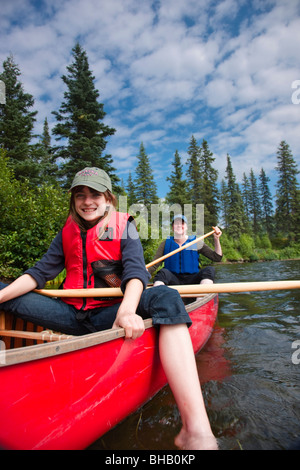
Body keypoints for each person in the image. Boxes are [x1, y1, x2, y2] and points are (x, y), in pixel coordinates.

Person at [0, 168, 218, 450]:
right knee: (3, 290)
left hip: (109, 314)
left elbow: (137, 274)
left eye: (94, 194)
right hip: (69, 316)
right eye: (81, 195)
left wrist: (127, 311)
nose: (87, 201)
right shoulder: (67, 232)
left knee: (164, 296)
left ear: (108, 198)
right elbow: (38, 274)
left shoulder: (124, 226)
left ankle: (195, 430)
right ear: (74, 200)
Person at [148, 215, 222, 288]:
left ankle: (201, 296)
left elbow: (217, 257)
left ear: (187, 227)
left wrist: (216, 239)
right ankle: (159, 294)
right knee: (162, 273)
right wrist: (142, 273)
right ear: (172, 227)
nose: (179, 225)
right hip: (172, 280)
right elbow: (154, 265)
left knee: (209, 270)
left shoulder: (196, 242)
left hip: (193, 280)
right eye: (176, 223)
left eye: (182, 223)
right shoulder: (165, 244)